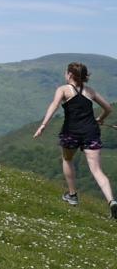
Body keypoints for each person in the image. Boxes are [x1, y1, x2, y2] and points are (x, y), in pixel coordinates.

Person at [33, 61, 117, 219]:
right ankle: (111, 201)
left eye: (66, 72)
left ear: (70, 74)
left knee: (67, 159)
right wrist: (99, 118)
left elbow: (54, 104)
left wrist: (43, 125)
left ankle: (72, 195)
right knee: (97, 170)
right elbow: (108, 108)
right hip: (91, 132)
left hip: (71, 132)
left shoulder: (63, 90)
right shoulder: (90, 91)